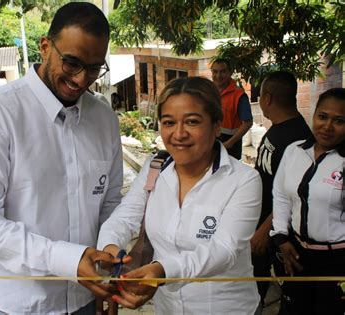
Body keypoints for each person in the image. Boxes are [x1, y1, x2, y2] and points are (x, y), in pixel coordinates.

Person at [0, 2, 124, 314]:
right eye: (72, 63)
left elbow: (110, 202)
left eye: (93, 68)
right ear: (45, 47)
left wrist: (110, 265)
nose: (80, 80)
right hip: (18, 305)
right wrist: (68, 260)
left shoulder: (103, 117)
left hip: (86, 300)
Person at [98, 77, 262, 314]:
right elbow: (125, 215)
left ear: (217, 125)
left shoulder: (243, 180)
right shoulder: (155, 167)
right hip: (169, 308)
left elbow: (224, 250)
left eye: (192, 122)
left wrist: (161, 270)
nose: (178, 134)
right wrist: (110, 247)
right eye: (168, 122)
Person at [271, 87, 345, 315]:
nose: (327, 126)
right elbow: (281, 195)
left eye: (339, 120)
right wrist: (281, 237)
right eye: (322, 116)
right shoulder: (294, 151)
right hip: (296, 254)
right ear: (314, 115)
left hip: (337, 261)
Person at [252, 71, 313, 308]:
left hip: (278, 232)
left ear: (267, 98)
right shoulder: (277, 129)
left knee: (289, 290)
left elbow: (293, 195)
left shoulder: (298, 140)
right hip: (262, 222)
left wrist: (265, 231)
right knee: (257, 280)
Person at [211, 58, 253, 160]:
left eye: (223, 72)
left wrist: (230, 143)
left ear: (230, 73)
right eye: (215, 71)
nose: (218, 76)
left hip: (230, 147)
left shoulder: (239, 95)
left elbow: (248, 122)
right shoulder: (208, 92)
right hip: (209, 144)